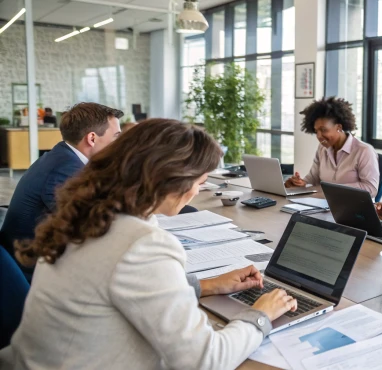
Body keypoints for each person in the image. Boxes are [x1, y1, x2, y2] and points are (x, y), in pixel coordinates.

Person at [0, 119, 297, 369]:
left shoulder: (89, 215)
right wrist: (260, 316)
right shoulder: (143, 244)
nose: (198, 189)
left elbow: (115, 285)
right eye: (199, 180)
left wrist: (206, 285)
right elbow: (205, 360)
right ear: (169, 180)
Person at [0, 102, 123, 279]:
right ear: (92, 138)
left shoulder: (64, 157)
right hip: (30, 270)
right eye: (116, 137)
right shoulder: (64, 169)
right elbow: (91, 226)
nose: (119, 144)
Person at [285, 97, 380, 197]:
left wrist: (333, 190)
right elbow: (313, 178)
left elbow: (371, 188)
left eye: (323, 130)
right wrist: (301, 183)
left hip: (353, 207)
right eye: (316, 131)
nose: (319, 136)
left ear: (339, 127)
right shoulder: (322, 149)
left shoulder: (364, 151)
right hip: (323, 204)